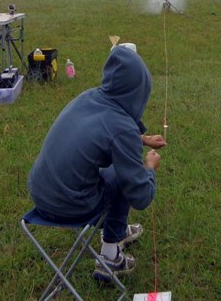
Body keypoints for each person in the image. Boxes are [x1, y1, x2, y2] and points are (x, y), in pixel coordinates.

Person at [27, 43, 167, 280]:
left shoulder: (89, 97)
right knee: (124, 177)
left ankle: (118, 230)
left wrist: (141, 138)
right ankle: (110, 258)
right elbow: (141, 196)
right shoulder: (122, 128)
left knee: (116, 170)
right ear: (138, 91)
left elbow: (106, 130)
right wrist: (149, 168)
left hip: (40, 193)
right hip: (68, 205)